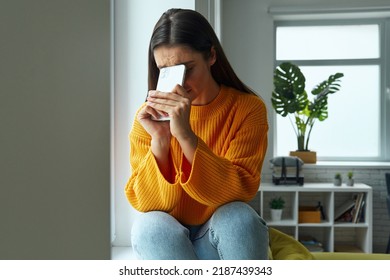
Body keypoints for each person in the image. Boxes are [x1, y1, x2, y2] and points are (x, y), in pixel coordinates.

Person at [125, 8, 269, 260]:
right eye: (165, 71)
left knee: (239, 218)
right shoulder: (148, 118)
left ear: (211, 56)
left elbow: (239, 191)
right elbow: (146, 204)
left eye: (186, 68)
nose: (178, 84)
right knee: (149, 227)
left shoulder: (247, 109)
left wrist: (187, 137)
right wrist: (160, 141)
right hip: (168, 243)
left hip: (219, 237)